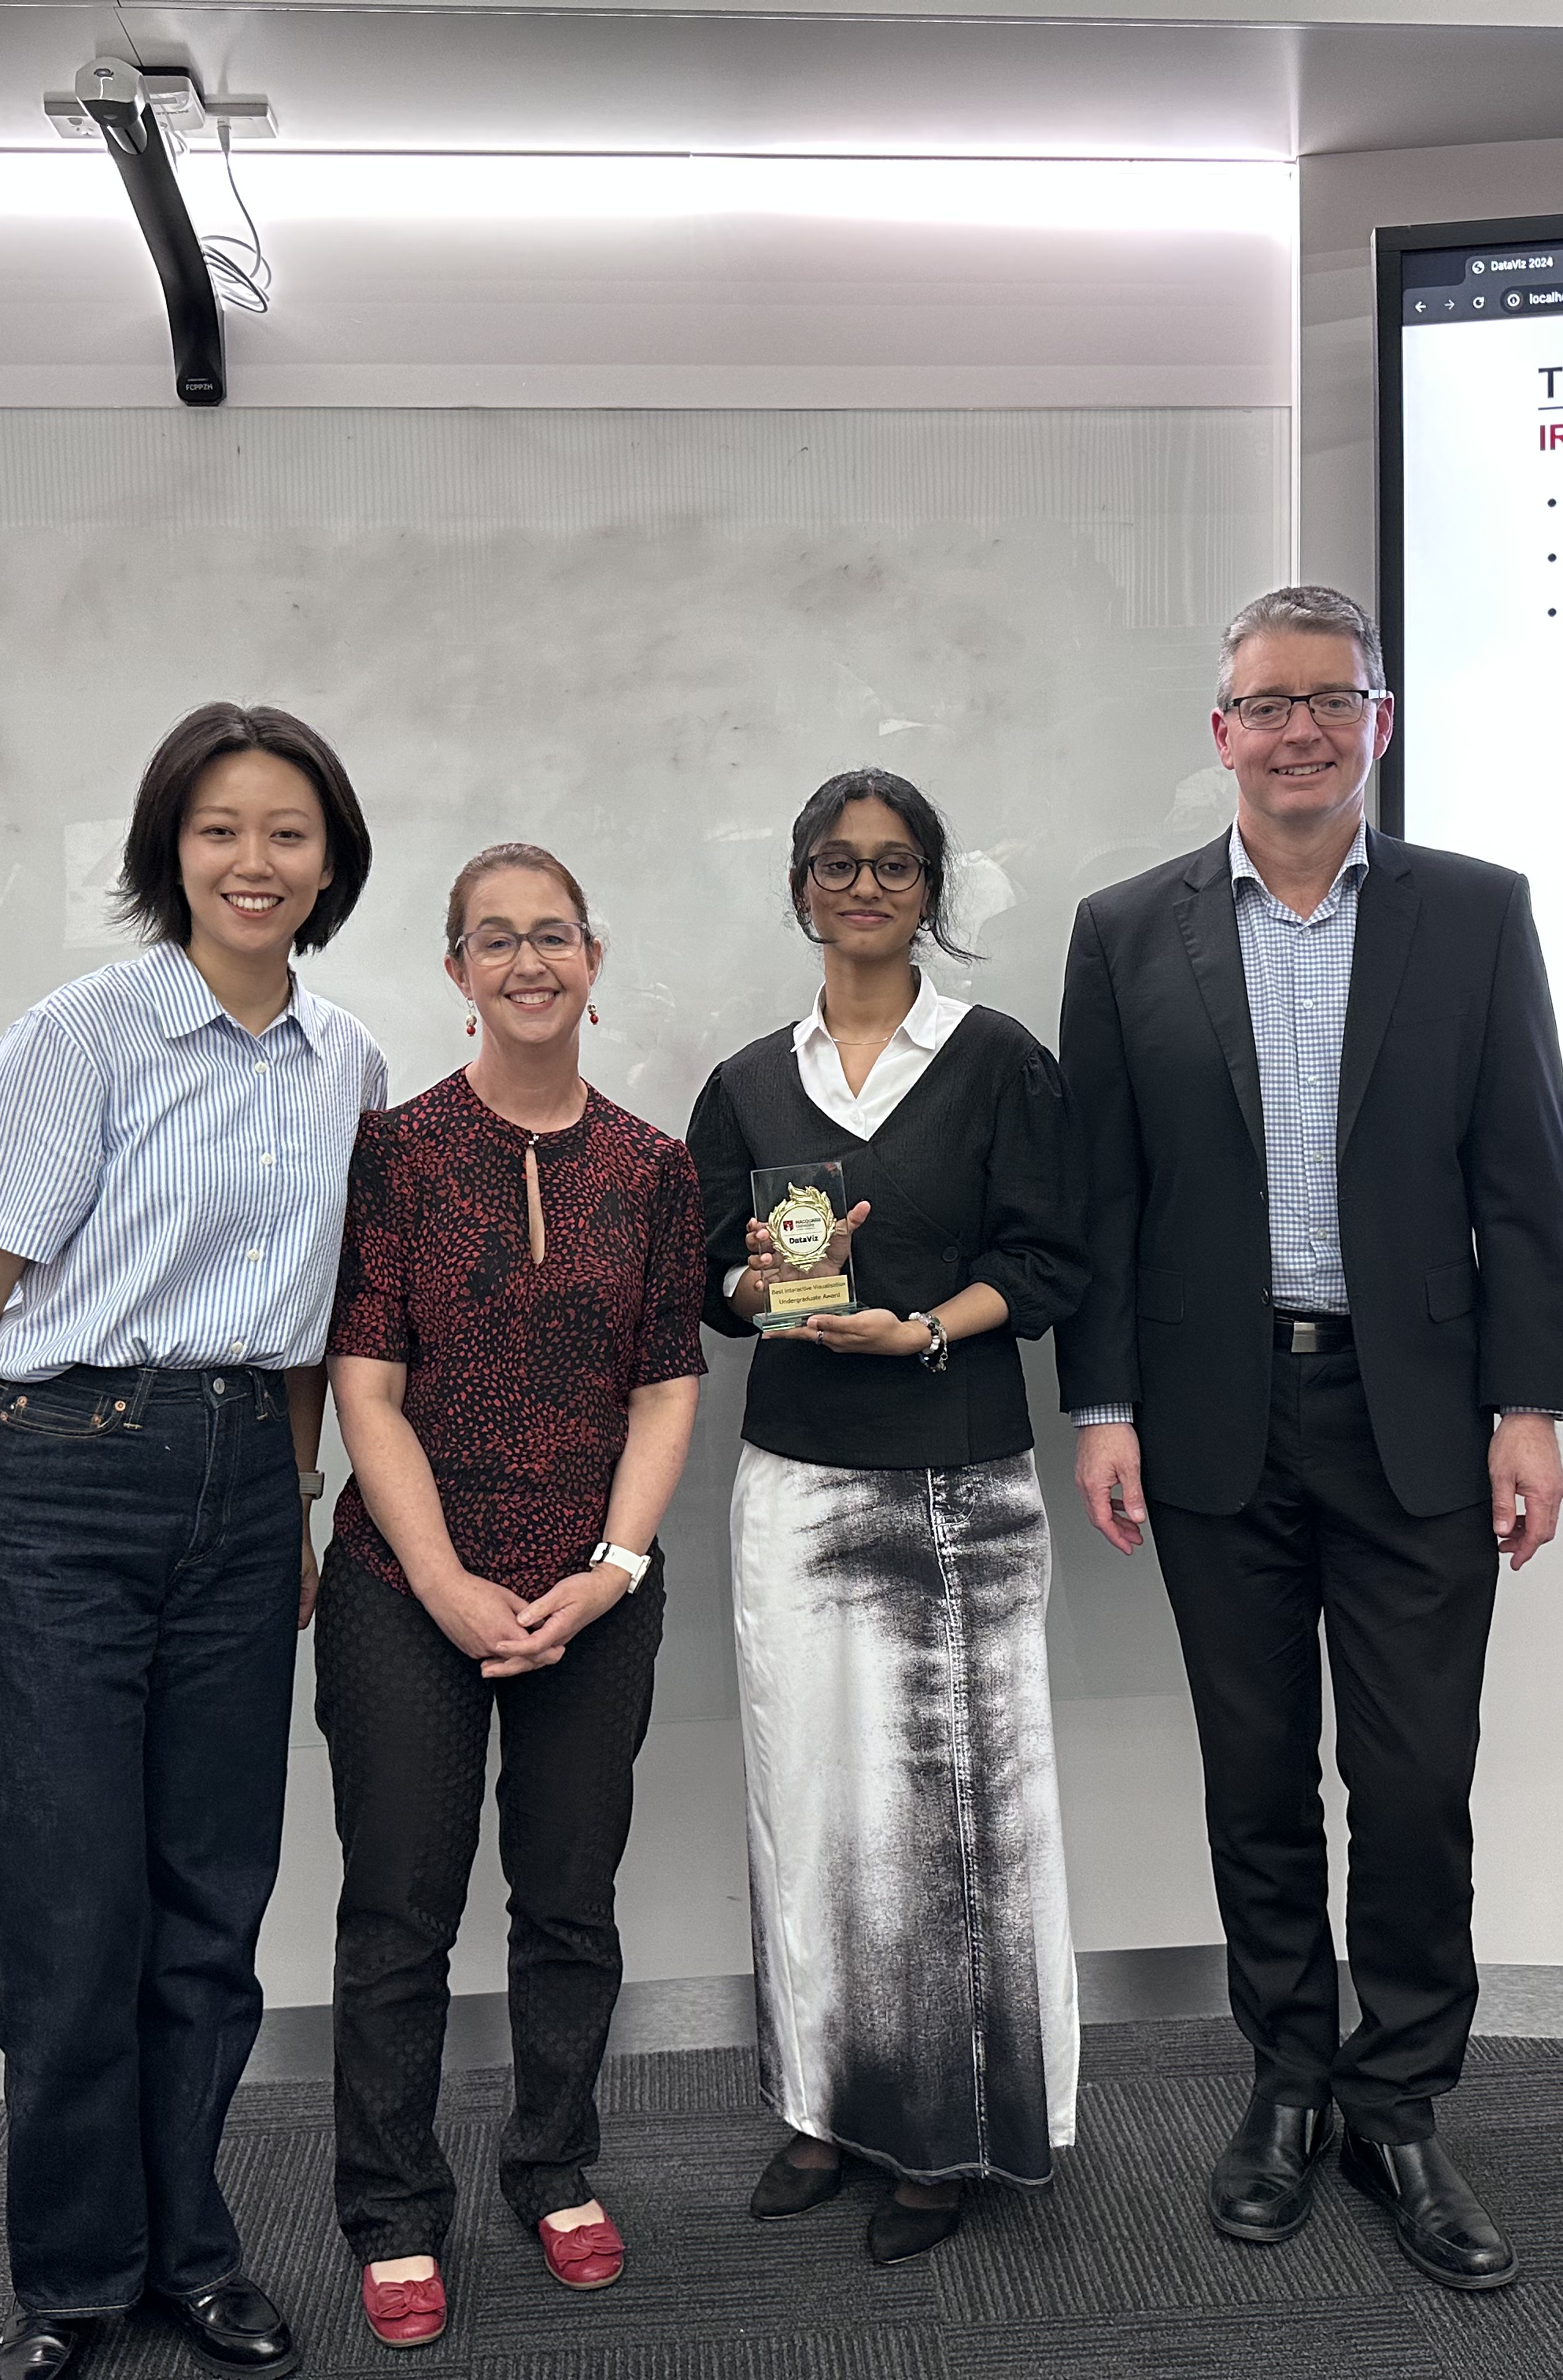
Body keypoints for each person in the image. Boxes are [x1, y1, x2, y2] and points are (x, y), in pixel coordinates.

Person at [1058, 586, 1563, 2289]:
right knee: (1256, 1774)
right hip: (1213, 1418)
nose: (1300, 730)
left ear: (1380, 722)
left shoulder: (1475, 914)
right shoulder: (1124, 931)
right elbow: (1105, 1196)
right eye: (1268, 703)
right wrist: (1104, 1406)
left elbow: (1523, 1181)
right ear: (1221, 732)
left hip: (1415, 1415)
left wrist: (1529, 1407)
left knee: (1416, 1784)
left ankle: (1399, 2101)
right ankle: (1288, 2079)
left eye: (1330, 699)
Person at [0, 702, 386, 2380]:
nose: (255, 861)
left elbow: (313, 1328)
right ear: (168, 850)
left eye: (288, 833)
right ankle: (73, 2276)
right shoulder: (82, 1036)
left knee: (210, 1900)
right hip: (63, 1487)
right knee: (64, 1908)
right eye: (219, 829)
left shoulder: (350, 1064)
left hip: (246, 1489)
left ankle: (192, 2249)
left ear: (330, 863)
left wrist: (297, 1510)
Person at [685, 770, 1088, 2267]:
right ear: (801, 883)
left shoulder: (999, 1062)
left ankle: (945, 2132)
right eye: (840, 864)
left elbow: (1046, 1268)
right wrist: (761, 1282)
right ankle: (820, 2107)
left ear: (932, 889)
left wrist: (919, 1327)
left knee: (955, 1824)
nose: (866, 887)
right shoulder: (745, 1083)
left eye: (896, 864)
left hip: (960, 1482)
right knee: (806, 1806)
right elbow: (710, 1288)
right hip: (796, 1485)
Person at [319, 843, 707, 2350]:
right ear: (456, 970)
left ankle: (554, 2167)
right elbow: (367, 1384)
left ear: (592, 961)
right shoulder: (396, 1153)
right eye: (496, 939)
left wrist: (610, 1571)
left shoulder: (653, 1166)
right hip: (404, 1588)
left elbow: (666, 1385)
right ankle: (392, 2210)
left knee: (568, 1900)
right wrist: (441, 1581)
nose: (528, 962)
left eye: (554, 936)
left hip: (592, 1593)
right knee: (399, 1912)